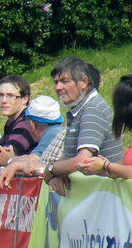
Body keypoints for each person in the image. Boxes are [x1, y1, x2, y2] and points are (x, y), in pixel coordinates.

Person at [41, 56, 122, 196]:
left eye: (64, 81)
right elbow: (72, 159)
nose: (58, 87)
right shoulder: (81, 109)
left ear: (84, 82)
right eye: (56, 82)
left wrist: (51, 169)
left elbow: (82, 161)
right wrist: (57, 175)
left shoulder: (93, 109)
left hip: (103, 198)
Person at [0, 95, 65, 188]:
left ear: (31, 124)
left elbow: (32, 162)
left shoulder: (52, 133)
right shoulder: (57, 129)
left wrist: (10, 160)